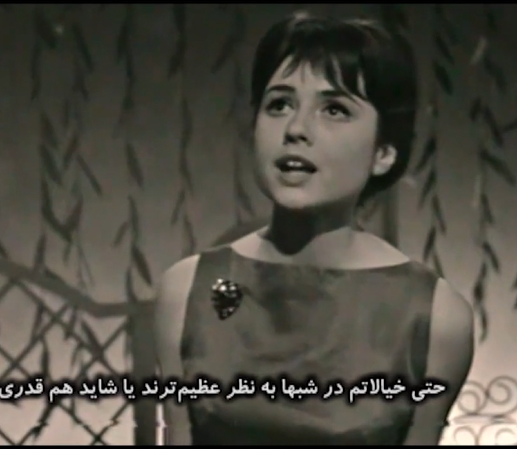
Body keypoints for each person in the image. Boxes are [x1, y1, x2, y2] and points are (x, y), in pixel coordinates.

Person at [154, 11, 474, 445]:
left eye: (335, 109)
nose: (296, 129)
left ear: (383, 152)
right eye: (279, 104)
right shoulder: (186, 290)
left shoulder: (435, 317)